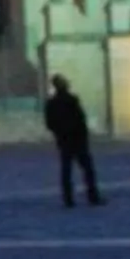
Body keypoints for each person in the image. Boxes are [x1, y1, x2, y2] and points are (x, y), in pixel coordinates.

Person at [44, 73, 102, 207]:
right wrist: (82, 134)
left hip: (64, 141)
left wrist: (60, 133)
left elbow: (50, 124)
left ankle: (68, 199)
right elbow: (80, 119)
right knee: (87, 169)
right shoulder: (71, 100)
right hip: (77, 139)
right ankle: (92, 196)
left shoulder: (51, 103)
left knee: (67, 170)